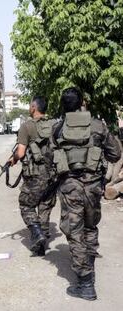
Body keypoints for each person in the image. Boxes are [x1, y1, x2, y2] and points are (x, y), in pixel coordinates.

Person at [52, 87, 121, 300]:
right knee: (90, 226)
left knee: (75, 231)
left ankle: (85, 283)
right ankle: (89, 261)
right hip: (93, 187)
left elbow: (50, 158)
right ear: (82, 102)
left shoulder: (58, 129)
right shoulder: (98, 126)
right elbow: (115, 153)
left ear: (64, 105)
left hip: (70, 186)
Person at [10, 96, 57, 256]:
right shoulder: (55, 124)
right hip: (53, 174)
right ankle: (42, 243)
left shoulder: (27, 127)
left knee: (26, 205)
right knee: (45, 206)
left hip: (34, 175)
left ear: (33, 107)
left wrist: (14, 159)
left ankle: (37, 234)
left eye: (30, 106)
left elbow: (21, 152)